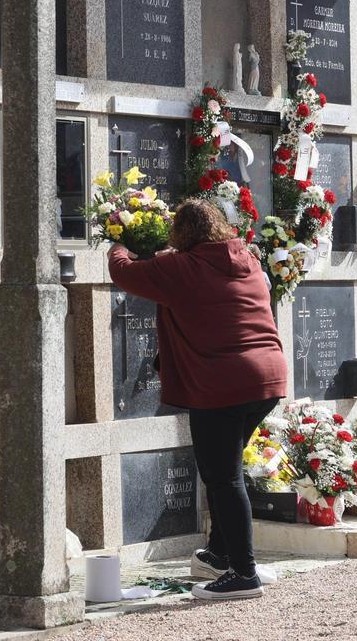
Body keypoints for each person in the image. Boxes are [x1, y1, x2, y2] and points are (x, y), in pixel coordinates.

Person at [109, 199, 287, 601]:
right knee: (227, 470)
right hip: (267, 380)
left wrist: (117, 244)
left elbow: (123, 273)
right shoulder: (248, 260)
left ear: (181, 234)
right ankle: (221, 554)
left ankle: (244, 573)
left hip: (221, 386)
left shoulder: (182, 267)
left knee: (222, 478)